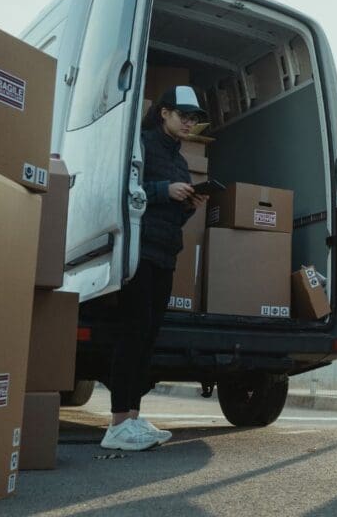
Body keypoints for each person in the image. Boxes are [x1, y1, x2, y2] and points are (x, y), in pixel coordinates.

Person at [100, 85, 210, 451]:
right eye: (183, 116)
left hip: (166, 253)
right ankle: (116, 424)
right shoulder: (142, 145)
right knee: (131, 334)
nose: (188, 124)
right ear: (164, 112)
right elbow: (124, 189)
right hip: (138, 251)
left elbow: (171, 216)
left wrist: (188, 204)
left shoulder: (180, 160)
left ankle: (132, 418)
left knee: (148, 336)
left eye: (193, 119)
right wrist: (166, 190)